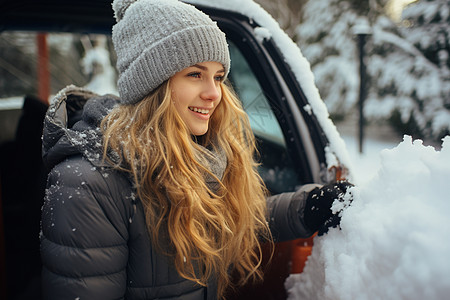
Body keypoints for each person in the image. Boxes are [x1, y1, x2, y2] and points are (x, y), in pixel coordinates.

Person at [40, 0, 352, 299]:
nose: (214, 93)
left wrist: (308, 206)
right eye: (195, 75)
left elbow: (228, 221)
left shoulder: (199, 152)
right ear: (152, 84)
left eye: (218, 77)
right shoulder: (88, 184)